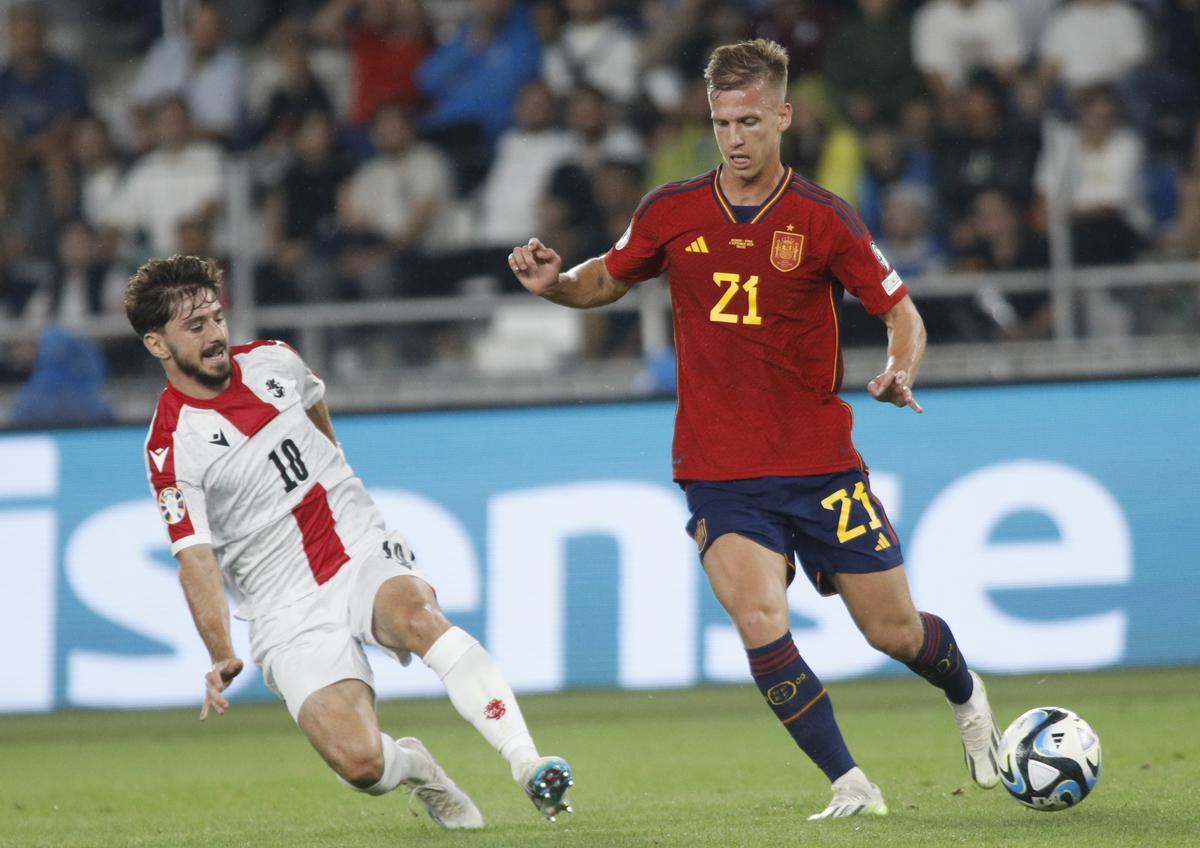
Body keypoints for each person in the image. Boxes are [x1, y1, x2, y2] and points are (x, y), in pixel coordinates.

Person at [508, 38, 1000, 820]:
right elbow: (604, 277)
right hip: (720, 469)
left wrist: (900, 368)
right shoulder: (670, 210)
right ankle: (850, 784)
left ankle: (968, 696)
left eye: (748, 121)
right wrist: (552, 286)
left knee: (894, 632)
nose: (734, 138)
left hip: (820, 463)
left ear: (782, 116)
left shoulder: (824, 219)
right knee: (760, 620)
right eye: (720, 122)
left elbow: (901, 314)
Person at [125, 255, 572, 829]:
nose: (215, 335)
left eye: (215, 318)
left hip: (354, 545)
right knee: (362, 765)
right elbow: (195, 558)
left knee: (417, 616)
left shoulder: (274, 361)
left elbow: (314, 405)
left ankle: (526, 762)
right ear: (157, 345)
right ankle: (419, 769)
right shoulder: (170, 447)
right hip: (282, 602)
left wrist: (337, 475)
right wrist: (220, 652)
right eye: (196, 327)